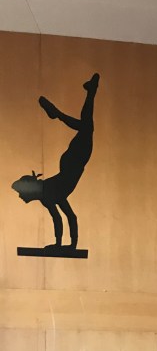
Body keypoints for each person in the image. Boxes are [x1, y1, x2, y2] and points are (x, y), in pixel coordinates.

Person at [11, 72, 99, 251]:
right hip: (71, 164)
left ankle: (65, 109)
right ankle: (86, 94)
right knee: (86, 126)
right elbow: (70, 217)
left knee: (86, 127)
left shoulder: (47, 195)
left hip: (72, 163)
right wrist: (69, 246)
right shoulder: (48, 193)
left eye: (20, 193)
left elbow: (59, 218)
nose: (20, 197)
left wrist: (61, 246)